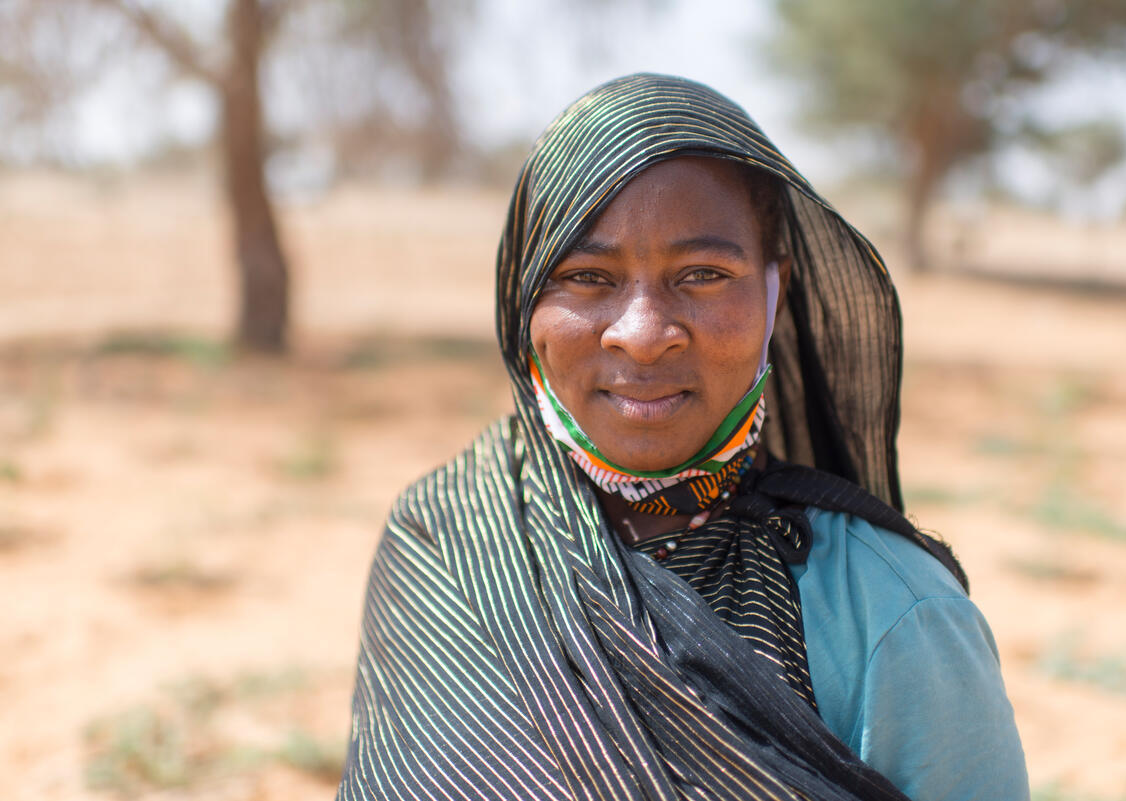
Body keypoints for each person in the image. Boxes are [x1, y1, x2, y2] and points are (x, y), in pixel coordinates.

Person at [336, 74, 1029, 801]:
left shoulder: (892, 614)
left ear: (775, 292)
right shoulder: (443, 537)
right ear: (524, 297)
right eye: (586, 275)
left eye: (703, 274)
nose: (642, 334)